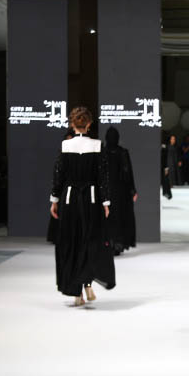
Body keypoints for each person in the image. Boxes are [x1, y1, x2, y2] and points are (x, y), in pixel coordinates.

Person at [50, 107, 115, 306]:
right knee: (90, 241)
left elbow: (58, 176)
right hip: (91, 199)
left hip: (69, 199)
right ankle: (87, 283)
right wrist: (106, 202)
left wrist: (54, 200)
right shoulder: (97, 145)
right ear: (89, 124)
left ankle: (76, 291)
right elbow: (103, 177)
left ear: (72, 124)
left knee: (71, 242)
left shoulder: (65, 145)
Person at [103, 127, 138, 255]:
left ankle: (108, 244)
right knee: (120, 216)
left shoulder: (102, 152)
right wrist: (132, 190)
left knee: (108, 217)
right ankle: (117, 244)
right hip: (120, 191)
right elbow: (128, 173)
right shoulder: (122, 152)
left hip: (106, 190)